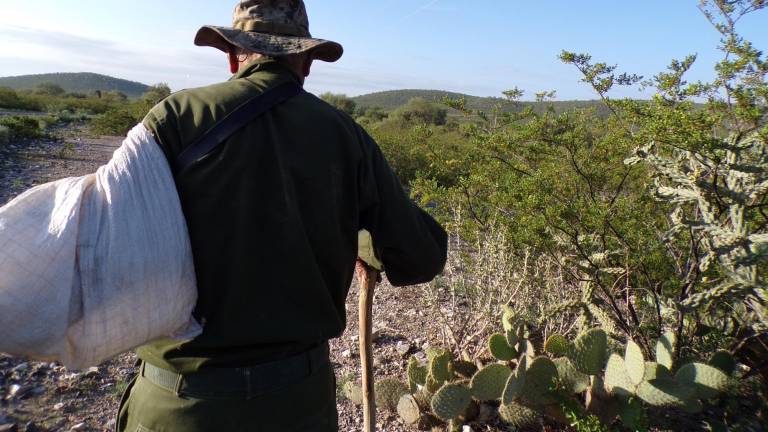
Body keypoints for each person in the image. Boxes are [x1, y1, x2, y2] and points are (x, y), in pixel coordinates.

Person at [116, 1, 448, 431]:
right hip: (295, 405)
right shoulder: (345, 135)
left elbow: (116, 243)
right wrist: (364, 240)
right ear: (306, 62)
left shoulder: (173, 117)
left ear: (233, 55)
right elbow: (421, 258)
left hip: (177, 404)